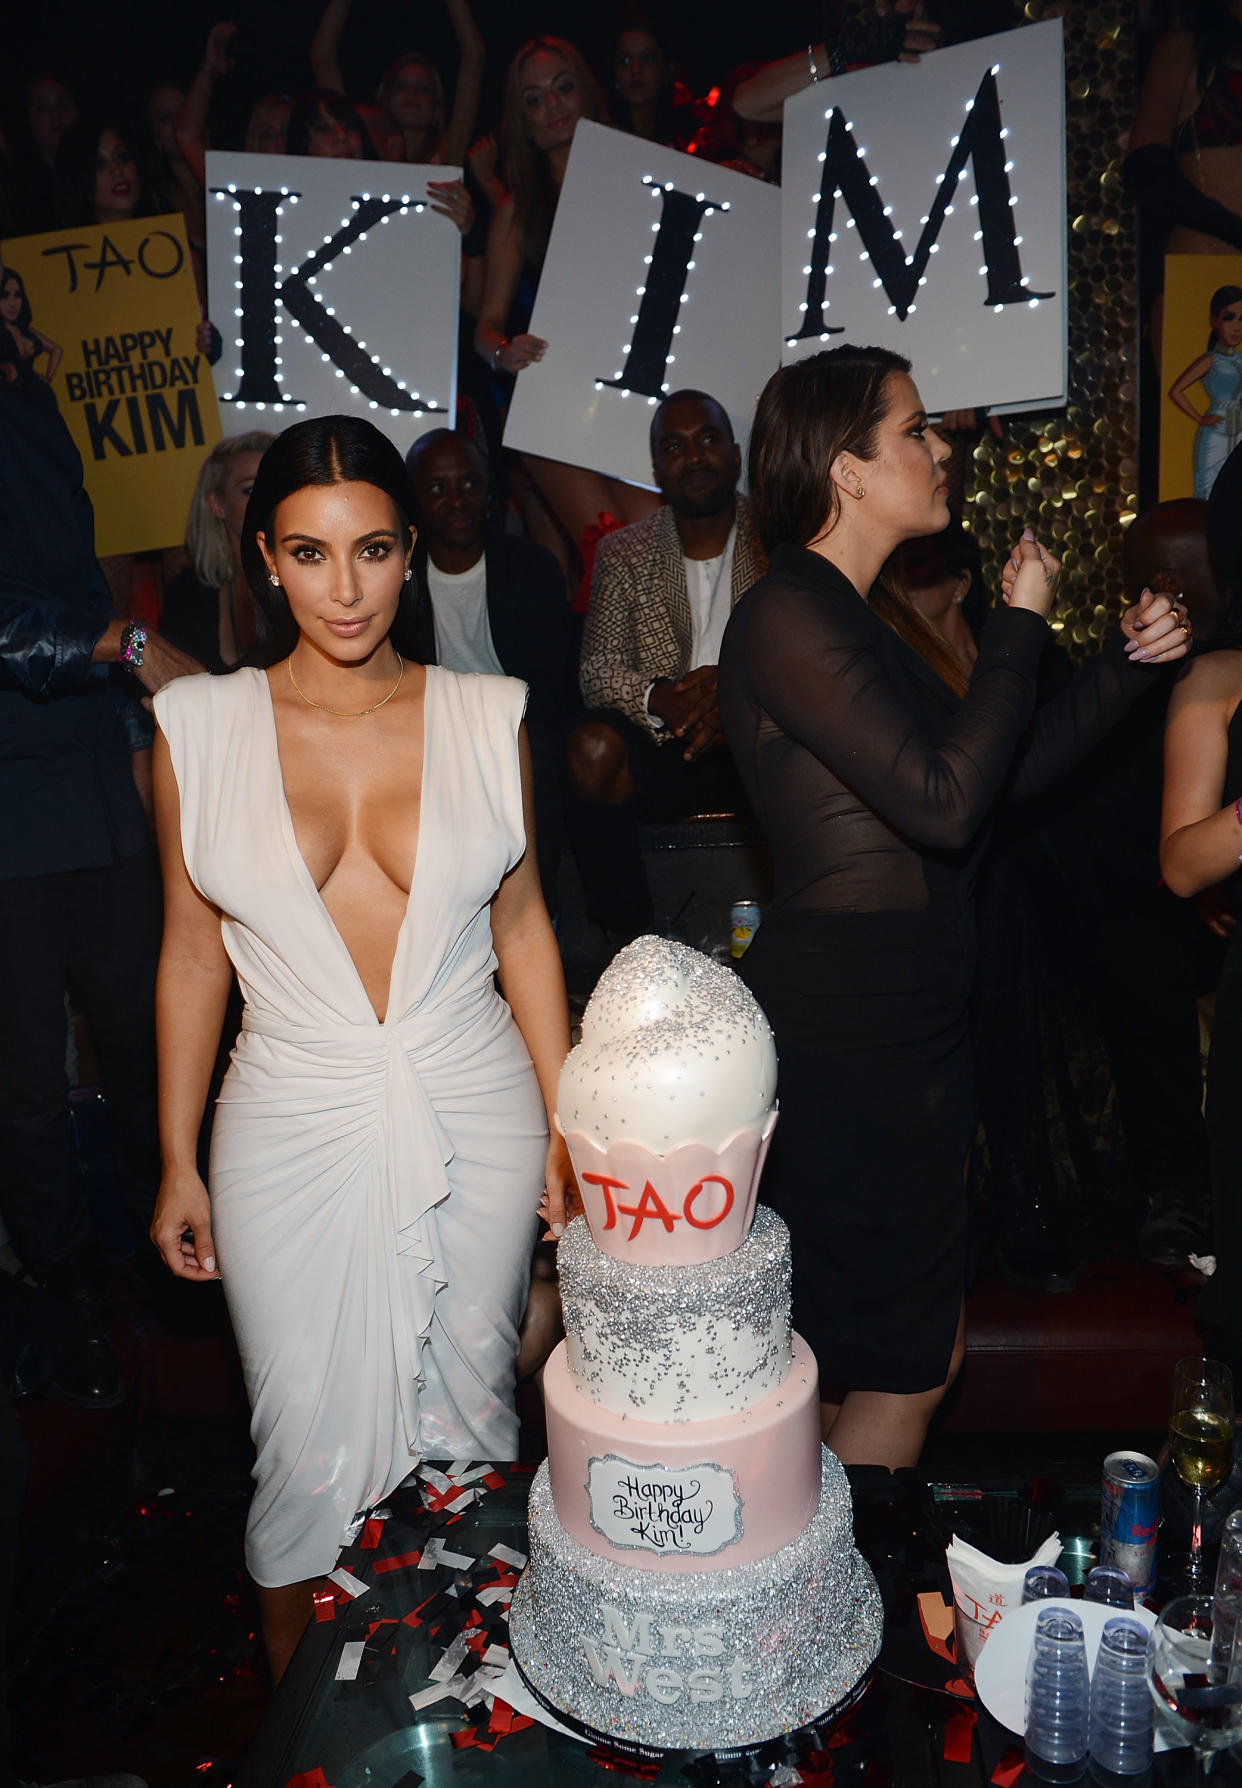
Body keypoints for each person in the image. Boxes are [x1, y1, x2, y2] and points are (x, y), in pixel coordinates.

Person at [148, 413, 574, 1681]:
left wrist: (563, 1120)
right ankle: (310, 1748)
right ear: (264, 560)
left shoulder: (489, 714)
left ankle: (465, 1718)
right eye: (312, 553)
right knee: (298, 1456)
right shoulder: (197, 730)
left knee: (474, 1419)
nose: (346, 588)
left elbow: (528, 925)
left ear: (408, 554)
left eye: (374, 550)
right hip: (287, 1113)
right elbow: (188, 952)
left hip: (474, 1101)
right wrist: (176, 1159)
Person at [717, 345, 1191, 1469]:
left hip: (908, 1011)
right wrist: (1021, 626)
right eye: (918, 432)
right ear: (847, 469)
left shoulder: (852, 615)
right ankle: (819, 1616)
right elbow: (942, 803)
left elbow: (997, 785)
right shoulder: (788, 611)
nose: (944, 451)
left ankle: (798, 1601)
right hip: (852, 1019)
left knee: (882, 1354)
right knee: (904, 1360)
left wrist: (1126, 667)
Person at [0, 342, 201, 1411]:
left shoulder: (40, 406)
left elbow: (78, 578)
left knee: (141, 1037)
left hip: (91, 782)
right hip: (10, 806)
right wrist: (123, 645)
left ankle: (156, 1266)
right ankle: (69, 1290)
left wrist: (135, 739)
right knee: (29, 1085)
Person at [568, 389, 765, 944]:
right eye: (675, 446)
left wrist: (738, 698)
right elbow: (597, 670)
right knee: (590, 749)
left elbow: (812, 656)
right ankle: (631, 948)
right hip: (666, 747)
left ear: (735, 455)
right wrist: (660, 696)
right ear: (658, 467)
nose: (695, 456)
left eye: (708, 440)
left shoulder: (779, 539)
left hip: (758, 742)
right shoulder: (625, 551)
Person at [474, 35, 659, 585]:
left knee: (659, 548)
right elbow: (485, 326)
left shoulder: (641, 183)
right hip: (554, 407)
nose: (552, 106)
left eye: (563, 88)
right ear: (521, 117)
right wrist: (503, 352)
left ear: (586, 93)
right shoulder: (515, 210)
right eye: (534, 99)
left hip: (635, 394)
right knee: (610, 555)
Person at [405, 427, 570, 913]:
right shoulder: (398, 579)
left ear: (488, 490)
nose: (457, 499)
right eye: (437, 487)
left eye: (469, 484)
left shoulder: (530, 567)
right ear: (413, 499)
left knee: (534, 755)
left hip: (512, 730)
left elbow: (549, 689)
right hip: (425, 734)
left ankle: (539, 917)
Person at [310, 0, 486, 168]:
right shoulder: (358, 149)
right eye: (400, 86)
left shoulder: (448, 156)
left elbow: (474, 58)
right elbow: (322, 57)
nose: (412, 93)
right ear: (384, 97)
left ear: (436, 109)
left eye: (423, 89)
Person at [161, 432, 273, 673]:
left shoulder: (308, 577)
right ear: (217, 504)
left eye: (277, 486)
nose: (268, 499)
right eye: (251, 490)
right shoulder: (188, 596)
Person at [1168, 284, 1242, 499]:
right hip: (1215, 435)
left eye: (1241, 319)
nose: (1236, 327)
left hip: (1240, 432)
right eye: (1229, 317)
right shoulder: (1210, 360)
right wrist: (1200, 418)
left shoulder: (1240, 359)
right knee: (1208, 493)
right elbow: (1176, 390)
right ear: (1215, 320)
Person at [0, 267, 61, 386]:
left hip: (37, 391)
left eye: (17, 295)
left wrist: (48, 377)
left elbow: (56, 350)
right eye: (5, 295)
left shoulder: (26, 330)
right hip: (9, 397)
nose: (12, 303)